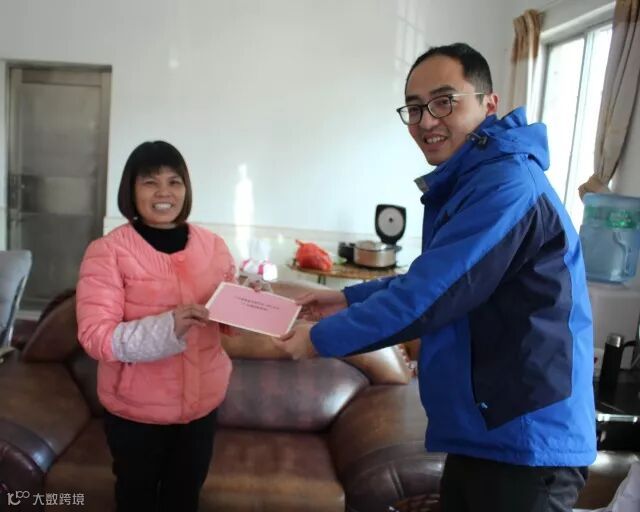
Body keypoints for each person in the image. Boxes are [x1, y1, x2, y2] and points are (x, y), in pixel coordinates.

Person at [274, 43, 596, 512]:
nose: (426, 121)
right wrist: (344, 300)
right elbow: (441, 279)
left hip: (525, 439)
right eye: (415, 108)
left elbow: (431, 294)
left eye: (444, 101)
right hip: (486, 432)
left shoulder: (507, 186)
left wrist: (318, 339)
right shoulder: (475, 180)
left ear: (489, 103)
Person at [76, 141, 237, 512]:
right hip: (135, 414)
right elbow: (96, 337)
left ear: (186, 188)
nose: (164, 192)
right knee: (137, 500)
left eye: (174, 181)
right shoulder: (108, 251)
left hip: (201, 408)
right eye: (150, 182)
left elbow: (227, 319)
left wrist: (251, 299)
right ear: (131, 191)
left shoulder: (213, 246)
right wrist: (169, 327)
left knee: (185, 499)